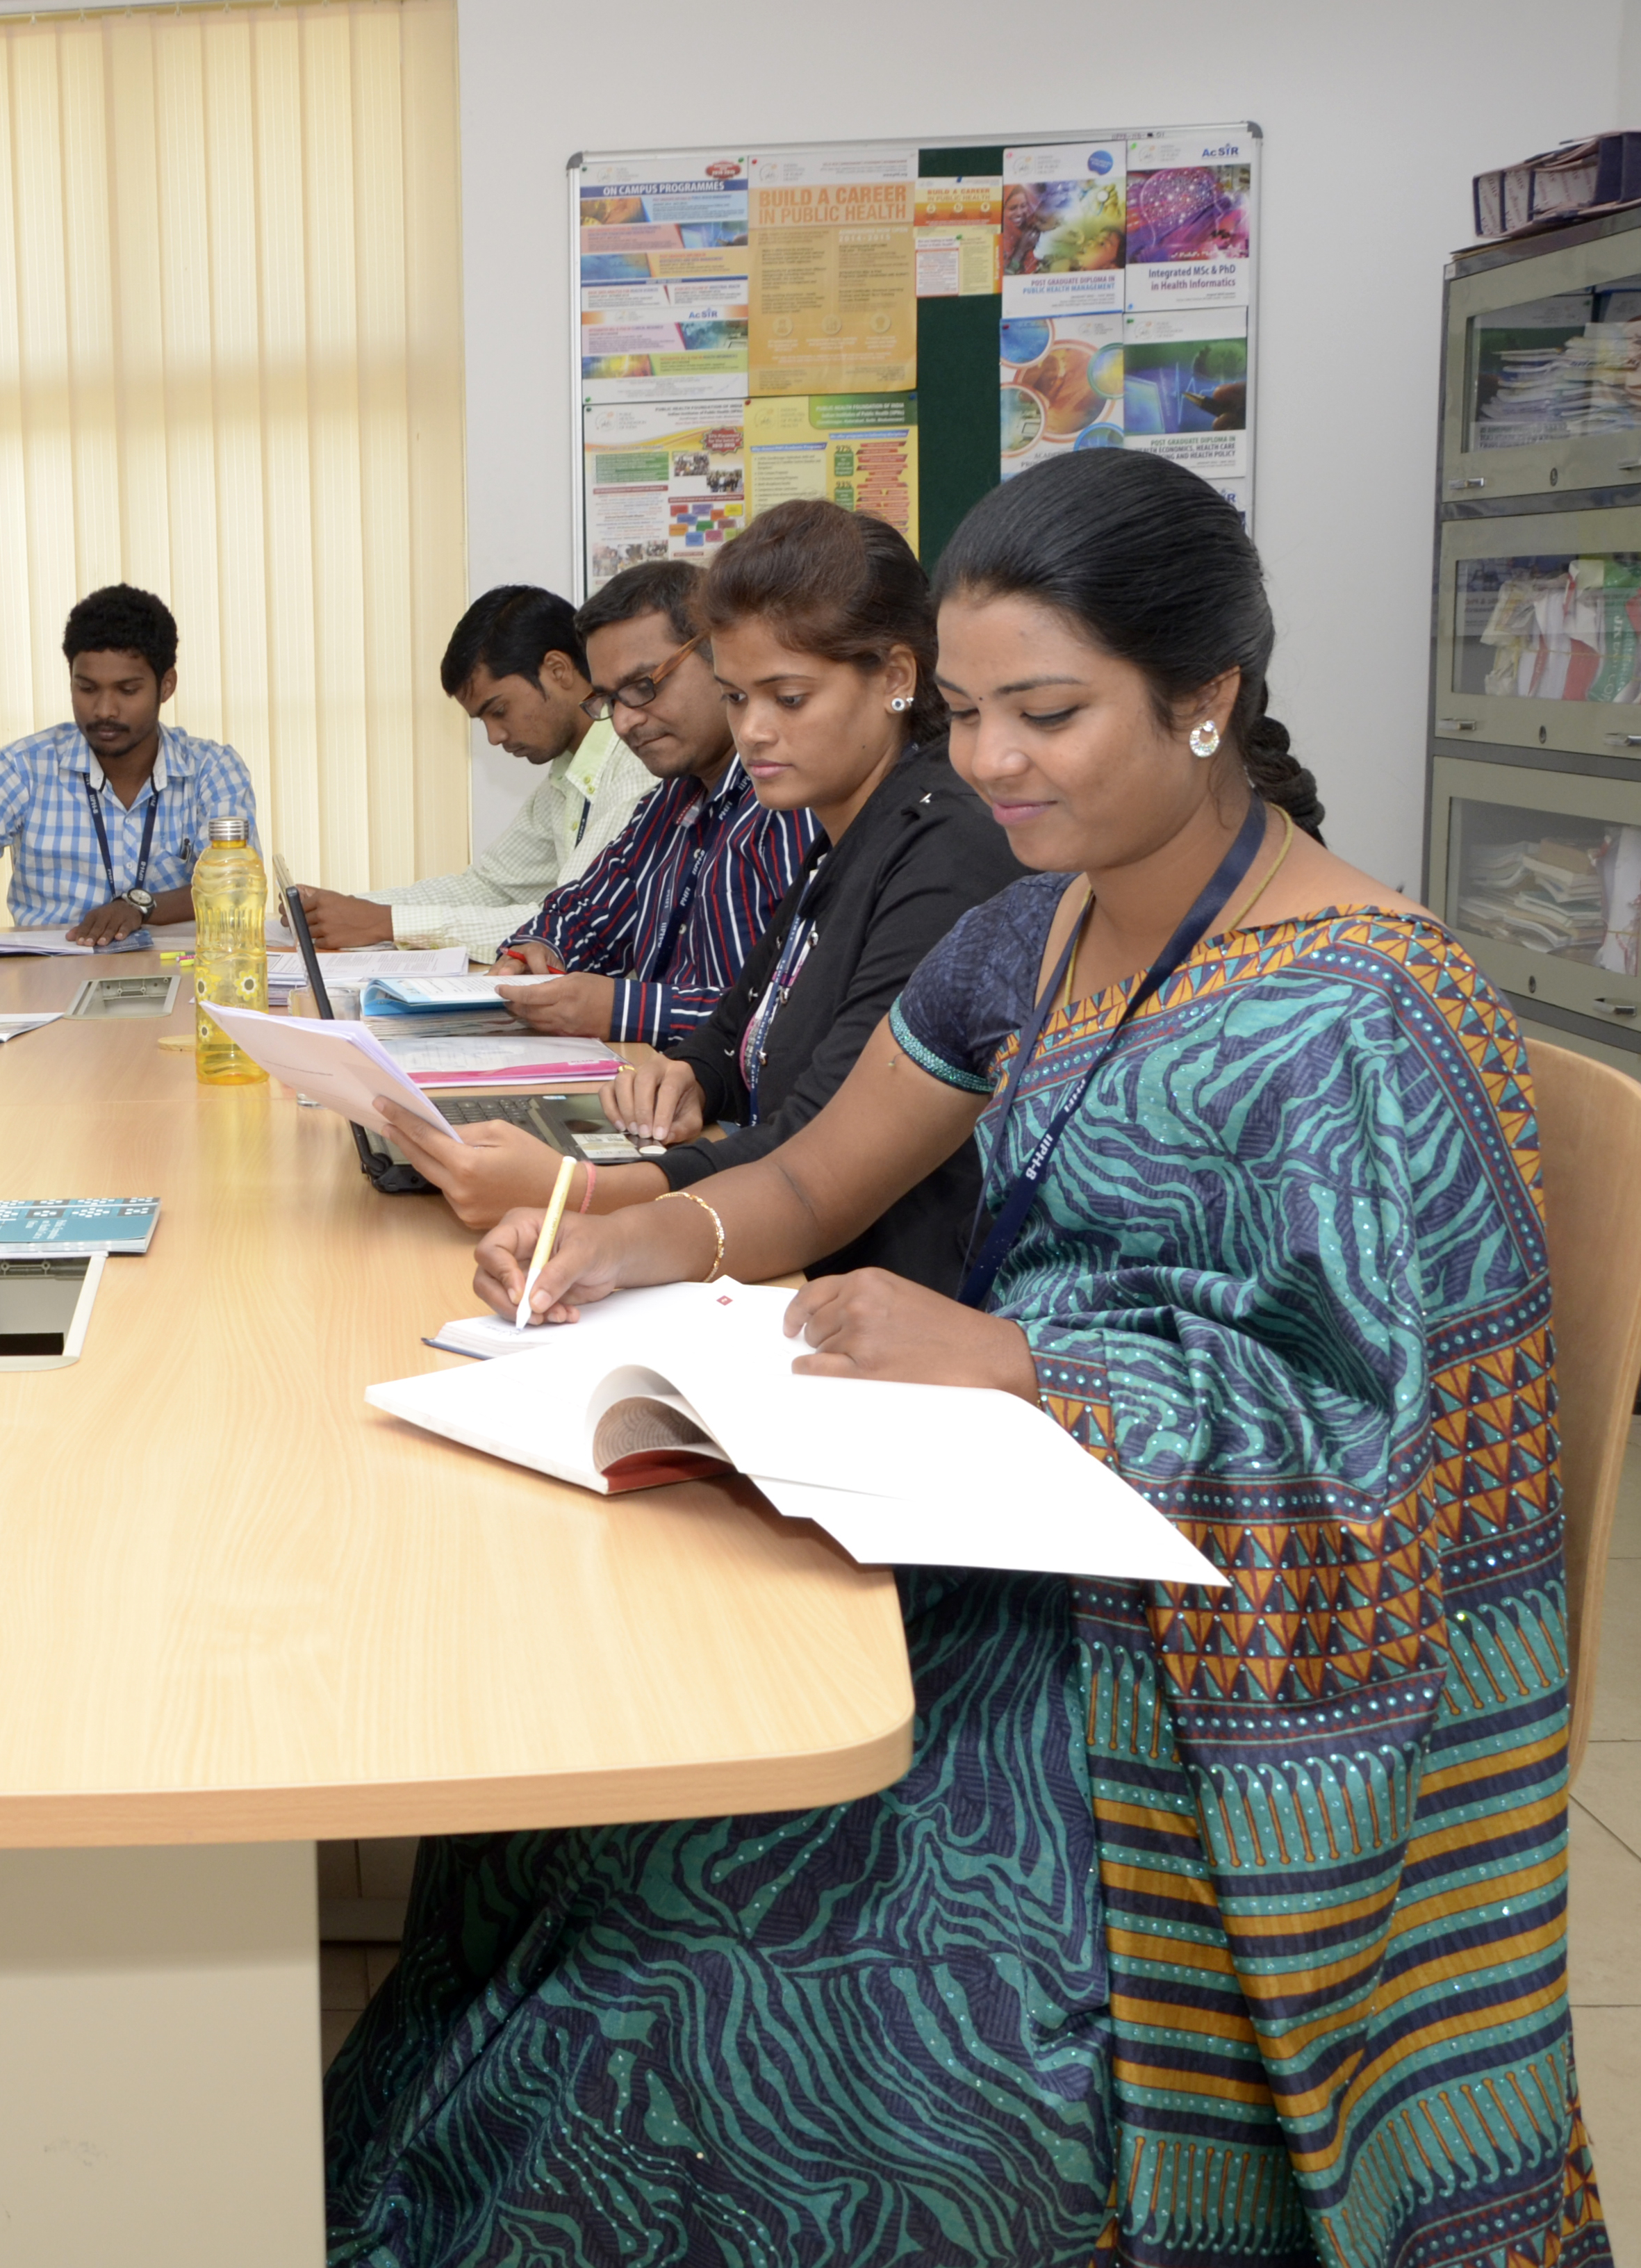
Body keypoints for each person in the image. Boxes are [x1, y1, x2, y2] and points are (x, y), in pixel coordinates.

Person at [329, 451, 1606, 2266]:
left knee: (699, 1920)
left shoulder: (1370, 1013)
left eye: (1050, 713)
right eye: (974, 709)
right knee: (576, 1810)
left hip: (1205, 1666)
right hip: (1038, 1548)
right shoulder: (1038, 921)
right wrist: (631, 1241)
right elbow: (810, 1174)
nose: (991, 761)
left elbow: (1376, 1455)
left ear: (1205, 699)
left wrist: (1024, 1363)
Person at [372, 504, 1023, 1288]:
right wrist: (689, 1073)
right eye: (736, 697)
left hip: (862, 1287)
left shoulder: (944, 851)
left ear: (893, 677)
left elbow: (813, 1140)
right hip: (782, 1256)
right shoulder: (843, 829)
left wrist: (581, 1194)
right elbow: (733, 1032)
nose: (751, 732)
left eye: (785, 698)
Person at [477, 560, 819, 1044]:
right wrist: (538, 946)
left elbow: (790, 1018)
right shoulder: (671, 800)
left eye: (643, 687)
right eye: (610, 700)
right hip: (664, 1092)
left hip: (754, 1114)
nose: (624, 723)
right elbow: (587, 907)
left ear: (720, 655)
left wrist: (624, 1009)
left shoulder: (794, 804)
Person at [289, 584, 650, 957]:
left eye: (498, 710)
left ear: (558, 670)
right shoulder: (567, 776)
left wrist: (386, 922)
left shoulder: (637, 768)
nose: (494, 737)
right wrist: (336, 908)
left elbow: (568, 924)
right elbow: (488, 887)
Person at [0, 584, 256, 946]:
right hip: (51, 983)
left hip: (183, 978)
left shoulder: (213, 769)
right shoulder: (23, 768)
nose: (104, 710)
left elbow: (235, 884)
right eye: (87, 689)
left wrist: (140, 905)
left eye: (127, 691)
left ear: (166, 686)